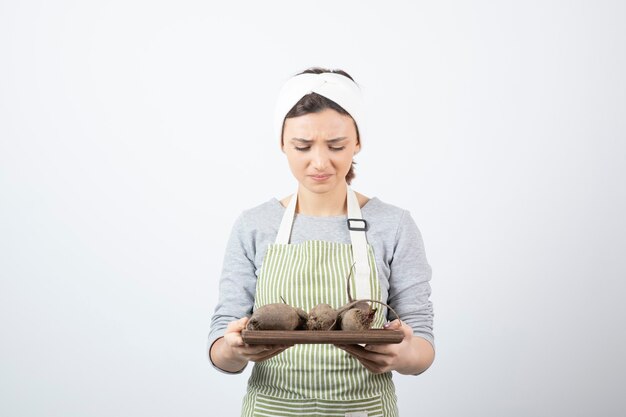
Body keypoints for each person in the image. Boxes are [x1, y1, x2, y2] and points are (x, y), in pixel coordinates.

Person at [208, 67, 435, 416]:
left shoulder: (395, 225)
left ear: (357, 141)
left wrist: (404, 355)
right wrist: (235, 349)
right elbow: (221, 350)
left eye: (336, 145)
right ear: (282, 143)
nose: (319, 162)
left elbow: (421, 344)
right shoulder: (253, 225)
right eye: (302, 146)